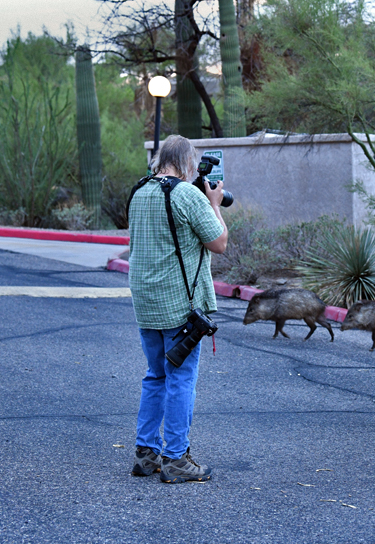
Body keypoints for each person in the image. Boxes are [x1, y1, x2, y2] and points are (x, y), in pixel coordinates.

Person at [126, 135, 228, 483]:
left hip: (146, 301)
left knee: (155, 374)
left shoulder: (140, 191)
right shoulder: (186, 195)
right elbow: (219, 242)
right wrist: (213, 202)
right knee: (180, 379)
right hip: (179, 306)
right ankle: (176, 459)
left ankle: (146, 453)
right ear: (188, 162)